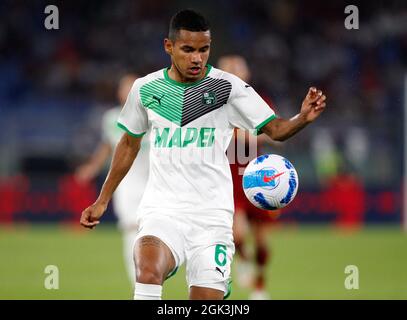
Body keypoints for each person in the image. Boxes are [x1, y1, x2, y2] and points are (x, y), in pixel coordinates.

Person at [80, 9, 327, 300]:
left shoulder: (229, 88)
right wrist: (102, 199)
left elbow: (274, 129)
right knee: (147, 269)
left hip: (212, 217)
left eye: (204, 49)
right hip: (163, 209)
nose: (197, 58)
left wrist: (302, 118)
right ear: (169, 47)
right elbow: (129, 143)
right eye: (188, 49)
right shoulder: (145, 89)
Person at [75, 73, 150, 287]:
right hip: (125, 181)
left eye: (134, 88)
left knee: (152, 228)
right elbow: (109, 146)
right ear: (119, 93)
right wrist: (92, 167)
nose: (130, 93)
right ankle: (138, 282)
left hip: (154, 178)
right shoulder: (111, 118)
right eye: (126, 88)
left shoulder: (155, 115)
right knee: (130, 227)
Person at [218, 55, 279, 299]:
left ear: (247, 73)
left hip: (257, 174)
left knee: (262, 240)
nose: (233, 71)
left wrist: (246, 135)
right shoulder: (214, 102)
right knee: (237, 233)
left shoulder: (259, 101)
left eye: (237, 67)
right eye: (228, 68)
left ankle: (260, 286)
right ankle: (242, 258)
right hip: (228, 174)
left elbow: (273, 131)